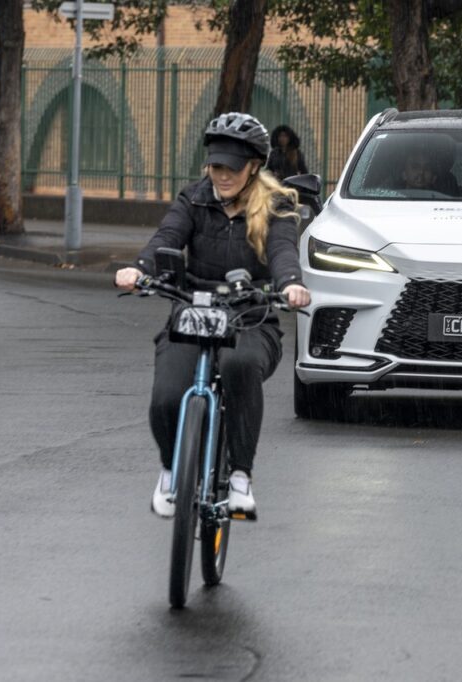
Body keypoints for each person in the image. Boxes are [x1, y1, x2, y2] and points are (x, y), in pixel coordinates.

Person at [114, 112, 311, 521]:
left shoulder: (276, 206)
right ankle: (172, 470)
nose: (223, 176)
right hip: (194, 309)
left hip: (251, 314)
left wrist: (290, 283)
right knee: (168, 395)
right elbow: (166, 238)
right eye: (216, 166)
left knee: (239, 366)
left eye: (232, 168)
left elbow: (283, 251)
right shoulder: (193, 199)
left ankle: (240, 477)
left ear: (254, 166)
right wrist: (140, 269)